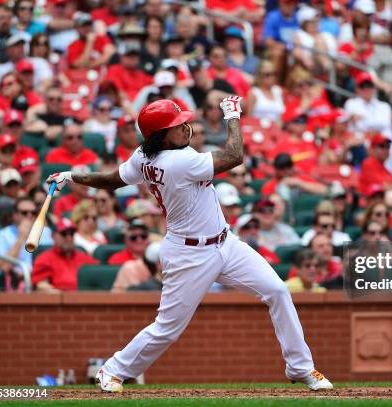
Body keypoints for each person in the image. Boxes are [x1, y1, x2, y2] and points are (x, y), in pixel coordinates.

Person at [47, 97, 333, 392]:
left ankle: (301, 367)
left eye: (183, 122)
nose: (186, 127)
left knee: (277, 290)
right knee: (167, 328)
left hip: (226, 243)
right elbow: (234, 156)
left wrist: (72, 175)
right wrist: (232, 115)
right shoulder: (178, 161)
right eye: (177, 125)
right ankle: (112, 370)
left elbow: (112, 179)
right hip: (189, 254)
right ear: (160, 135)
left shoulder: (144, 155)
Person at [0, 197, 53, 291]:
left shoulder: (47, 233)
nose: (29, 216)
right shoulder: (0, 236)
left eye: (33, 213)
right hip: (16, 284)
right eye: (24, 213)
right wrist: (20, 238)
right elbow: (4, 267)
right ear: (15, 215)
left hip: (44, 281)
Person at [32, 218, 98, 293]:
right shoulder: (44, 259)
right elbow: (41, 286)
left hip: (85, 300)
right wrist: (65, 297)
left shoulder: (84, 257)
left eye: (71, 234)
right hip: (58, 302)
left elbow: (98, 279)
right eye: (64, 234)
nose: (69, 238)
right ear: (53, 236)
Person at [343, 72, 392, 140]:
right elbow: (360, 126)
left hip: (381, 141)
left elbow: (386, 124)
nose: (366, 89)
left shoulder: (384, 106)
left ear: (374, 87)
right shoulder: (351, 104)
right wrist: (376, 124)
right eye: (362, 86)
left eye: (369, 85)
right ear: (357, 88)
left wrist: (365, 119)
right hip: (361, 141)